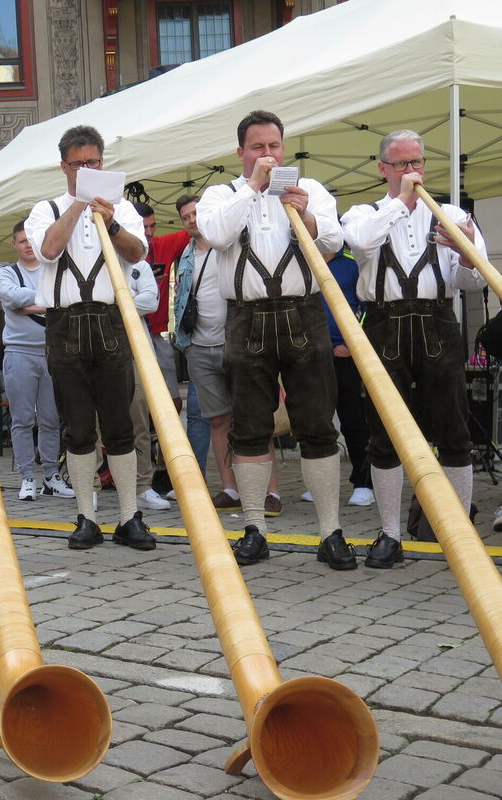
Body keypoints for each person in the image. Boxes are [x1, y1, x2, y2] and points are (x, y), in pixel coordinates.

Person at [197, 110, 349, 569]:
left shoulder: (310, 188)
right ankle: (254, 529)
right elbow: (216, 234)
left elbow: (334, 243)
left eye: (275, 146)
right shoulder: (220, 194)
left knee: (317, 425)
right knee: (248, 427)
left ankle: (331, 532)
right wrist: (253, 188)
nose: (269, 154)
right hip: (246, 318)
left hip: (304, 314)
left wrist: (306, 214)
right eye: (258, 147)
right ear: (240, 152)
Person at [341, 129, 486, 568]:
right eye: (401, 164)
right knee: (385, 432)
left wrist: (465, 253)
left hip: (437, 322)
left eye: (417, 162)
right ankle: (389, 534)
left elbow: (472, 281)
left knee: (454, 429)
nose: (411, 171)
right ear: (382, 168)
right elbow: (361, 242)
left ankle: (458, 531)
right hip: (383, 324)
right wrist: (402, 201)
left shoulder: (452, 213)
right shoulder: (363, 213)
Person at [25, 125, 153, 551]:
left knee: (120, 424)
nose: (86, 169)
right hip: (64, 324)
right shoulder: (45, 208)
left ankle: (129, 517)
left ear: (102, 162)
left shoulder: (123, 207)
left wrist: (111, 222)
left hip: (111, 320)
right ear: (64, 166)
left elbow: (137, 253)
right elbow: (47, 250)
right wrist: (79, 203)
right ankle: (86, 517)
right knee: (78, 426)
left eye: (93, 162)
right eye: (78, 164)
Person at [173, 194, 282, 513]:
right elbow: (180, 299)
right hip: (198, 346)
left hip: (236, 342)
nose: (192, 220)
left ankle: (270, 492)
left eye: (195, 213)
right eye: (185, 217)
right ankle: (231, 489)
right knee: (218, 420)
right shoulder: (186, 255)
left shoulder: (229, 245)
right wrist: (186, 343)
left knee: (252, 417)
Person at [0, 221, 74, 502]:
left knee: (51, 419)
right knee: (22, 420)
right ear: (14, 245)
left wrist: (29, 305)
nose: (27, 245)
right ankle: (27, 477)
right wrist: (48, 301)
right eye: (22, 241)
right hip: (18, 354)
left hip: (53, 353)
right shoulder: (6, 272)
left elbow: (66, 299)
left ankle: (51, 477)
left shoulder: (53, 268)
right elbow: (11, 296)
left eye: (31, 240)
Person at [300, 247, 374, 509]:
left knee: (353, 420)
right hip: (311, 355)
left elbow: (366, 307)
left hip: (345, 355)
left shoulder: (352, 264)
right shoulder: (303, 262)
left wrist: (351, 343)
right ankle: (320, 482)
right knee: (315, 421)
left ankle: (363, 483)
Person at [134, 201, 188, 505]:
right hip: (128, 336)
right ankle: (138, 476)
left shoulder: (164, 245)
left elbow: (200, 225)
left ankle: (167, 471)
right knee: (136, 409)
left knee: (171, 404)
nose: (149, 232)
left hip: (157, 335)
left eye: (153, 226)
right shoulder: (119, 251)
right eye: (143, 227)